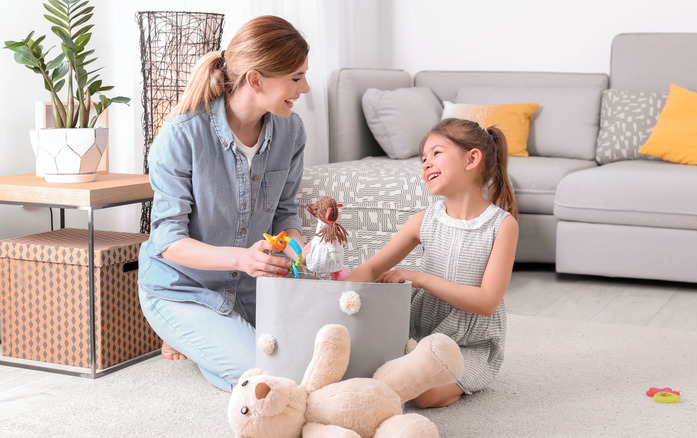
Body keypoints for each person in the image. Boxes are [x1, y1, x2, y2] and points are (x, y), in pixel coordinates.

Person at [137, 15, 311, 392]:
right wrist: (242, 258)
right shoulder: (181, 134)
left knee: (317, 358)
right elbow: (169, 242)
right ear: (255, 79)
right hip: (182, 288)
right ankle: (189, 328)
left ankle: (199, 339)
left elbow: (284, 212)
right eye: (296, 78)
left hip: (251, 289)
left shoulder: (291, 131)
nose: (306, 87)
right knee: (271, 379)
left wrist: (295, 249)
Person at [347, 118, 519, 407]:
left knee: (425, 396)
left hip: (470, 345)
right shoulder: (424, 220)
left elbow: (487, 301)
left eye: (436, 153)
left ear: (472, 159)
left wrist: (420, 277)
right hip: (418, 333)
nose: (426, 164)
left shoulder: (502, 226)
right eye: (423, 158)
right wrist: (335, 289)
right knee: (365, 365)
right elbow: (373, 268)